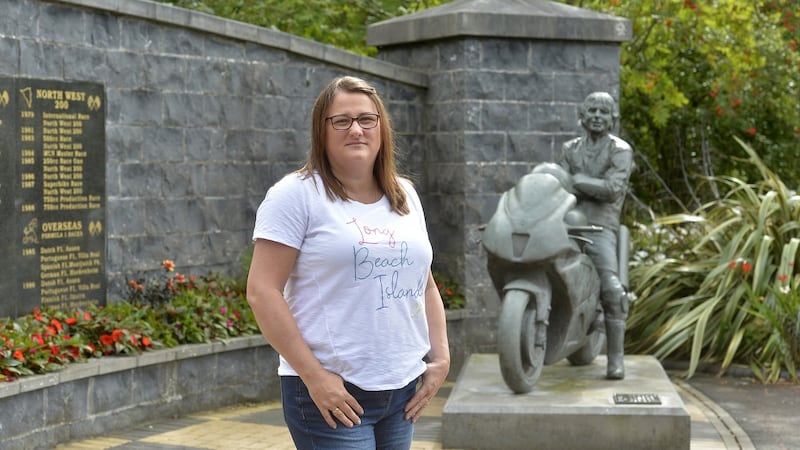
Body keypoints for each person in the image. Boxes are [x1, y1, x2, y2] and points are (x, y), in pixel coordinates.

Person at [246, 75, 450, 449]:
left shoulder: (404, 195)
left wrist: (441, 358)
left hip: (401, 391)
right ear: (321, 131)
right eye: (341, 120)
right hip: (332, 394)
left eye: (366, 119)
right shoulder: (295, 195)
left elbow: (424, 283)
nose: (355, 129)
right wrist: (315, 378)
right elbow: (262, 291)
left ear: (381, 127)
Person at [556, 92, 633, 380]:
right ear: (583, 115)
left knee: (612, 290)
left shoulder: (620, 150)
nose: (598, 116)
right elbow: (556, 182)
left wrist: (576, 181)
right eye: (592, 111)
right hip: (566, 224)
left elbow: (613, 188)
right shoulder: (569, 149)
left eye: (604, 111)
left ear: (612, 118)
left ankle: (616, 359)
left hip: (600, 229)